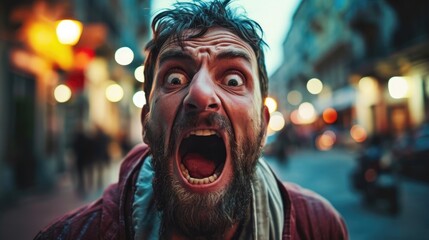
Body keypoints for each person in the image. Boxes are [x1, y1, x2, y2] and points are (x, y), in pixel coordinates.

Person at [35, 1, 348, 239]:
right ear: (146, 120)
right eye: (174, 77)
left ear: (264, 124)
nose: (200, 94)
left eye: (234, 80)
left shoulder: (319, 226)